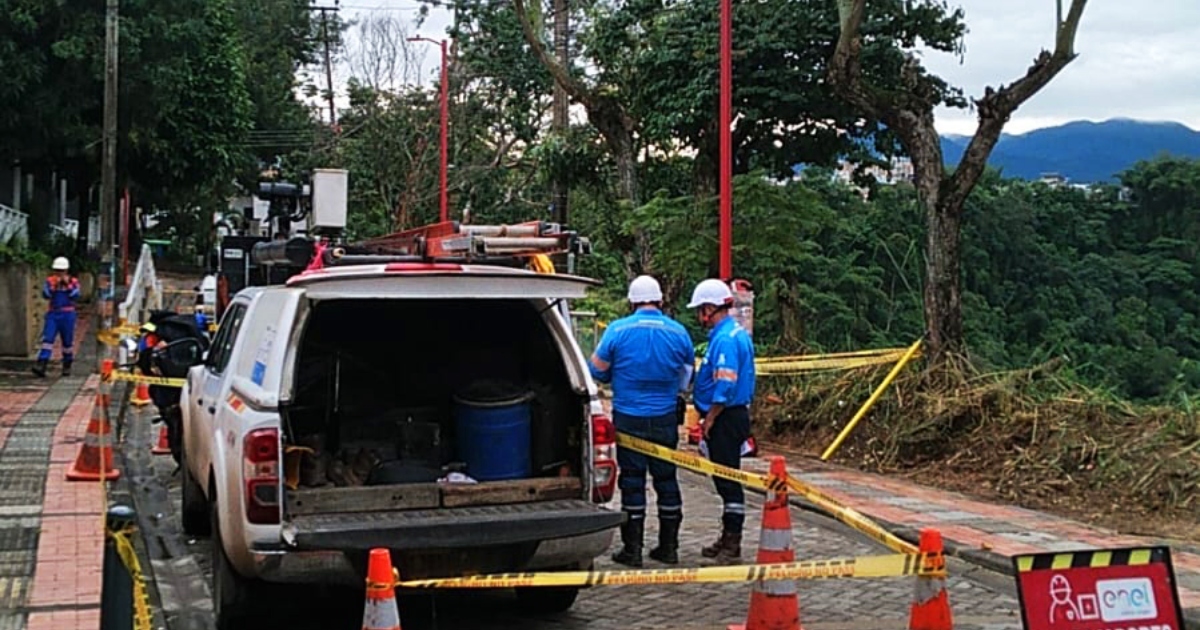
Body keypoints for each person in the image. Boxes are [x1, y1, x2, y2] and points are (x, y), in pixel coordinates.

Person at [589, 275, 695, 567]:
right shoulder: (679, 333)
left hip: (629, 417)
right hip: (664, 418)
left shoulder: (617, 331)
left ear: (632, 301)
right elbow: (687, 379)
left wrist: (618, 376)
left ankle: (632, 550)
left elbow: (596, 371)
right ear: (660, 300)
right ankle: (669, 548)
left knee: (633, 481)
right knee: (666, 479)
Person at [687, 278, 756, 563]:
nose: (698, 317)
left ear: (709, 308)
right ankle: (727, 536)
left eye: (700, 310)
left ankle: (732, 542)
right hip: (731, 415)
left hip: (726, 416)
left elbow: (725, 385)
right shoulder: (729, 334)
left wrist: (711, 418)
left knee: (728, 480)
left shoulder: (726, 339)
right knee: (724, 478)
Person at [33, 257, 80, 378]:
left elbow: (76, 295)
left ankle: (67, 365)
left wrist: (67, 285)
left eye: (62, 271)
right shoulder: (50, 281)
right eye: (57, 270)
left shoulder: (73, 281)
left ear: (66, 270)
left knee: (67, 342)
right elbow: (46, 294)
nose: (59, 273)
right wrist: (53, 286)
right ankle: (41, 364)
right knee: (47, 339)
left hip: (68, 314)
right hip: (53, 313)